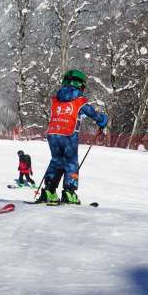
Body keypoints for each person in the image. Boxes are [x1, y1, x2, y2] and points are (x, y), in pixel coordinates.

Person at [36, 69, 108, 205]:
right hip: (68, 135)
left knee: (56, 160)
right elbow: (92, 113)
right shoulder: (79, 100)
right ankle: (69, 192)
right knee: (71, 163)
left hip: (53, 133)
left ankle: (49, 191)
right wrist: (102, 119)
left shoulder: (56, 98)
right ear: (80, 84)